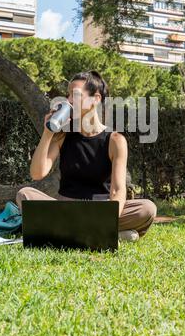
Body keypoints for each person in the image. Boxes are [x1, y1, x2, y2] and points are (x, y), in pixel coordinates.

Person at [16, 70, 157, 242]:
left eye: (75, 95)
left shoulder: (115, 140)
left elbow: (118, 190)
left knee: (147, 208)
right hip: (66, 208)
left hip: (101, 210)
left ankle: (70, 231)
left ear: (95, 99)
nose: (68, 100)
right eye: (68, 95)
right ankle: (108, 234)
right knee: (25, 195)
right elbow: (37, 174)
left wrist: (106, 217)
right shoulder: (63, 135)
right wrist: (47, 133)